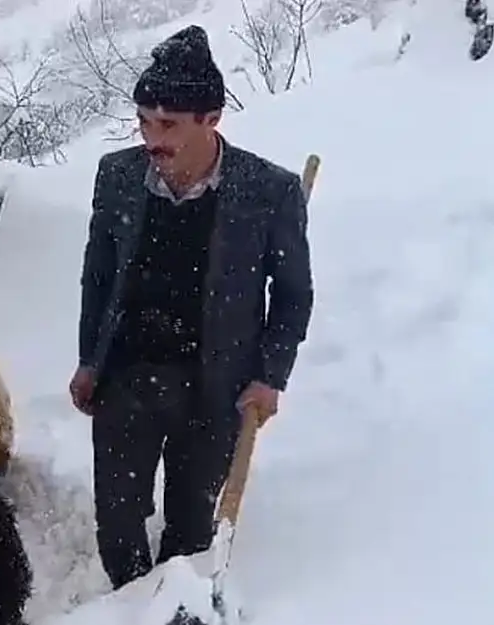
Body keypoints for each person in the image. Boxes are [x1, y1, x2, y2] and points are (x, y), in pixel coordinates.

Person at [68, 24, 314, 590]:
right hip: (127, 377)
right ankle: (130, 603)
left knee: (190, 527)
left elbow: (294, 295)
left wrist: (270, 376)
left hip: (215, 386)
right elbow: (98, 277)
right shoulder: (119, 175)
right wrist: (89, 360)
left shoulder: (267, 191)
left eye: (168, 124)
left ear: (212, 118)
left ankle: (173, 601)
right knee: (118, 523)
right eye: (144, 121)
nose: (152, 138)